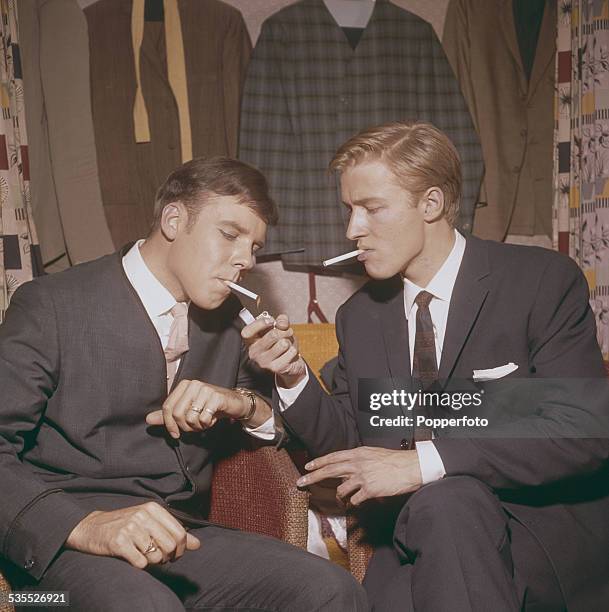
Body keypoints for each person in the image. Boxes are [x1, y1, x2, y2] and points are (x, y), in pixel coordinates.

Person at [243, 122, 609, 610]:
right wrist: (293, 377)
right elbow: (353, 439)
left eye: (372, 209)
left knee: (448, 499)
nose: (353, 229)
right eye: (349, 210)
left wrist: (422, 463)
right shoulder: (361, 316)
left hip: (533, 530)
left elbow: (582, 430)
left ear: (431, 205)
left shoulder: (538, 281)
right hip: (417, 534)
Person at [0, 157, 367, 611]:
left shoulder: (231, 322)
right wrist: (89, 526)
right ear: (173, 220)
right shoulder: (51, 305)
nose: (245, 260)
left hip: (182, 535)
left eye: (254, 246)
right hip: (60, 552)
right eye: (230, 235)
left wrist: (241, 401)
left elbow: (287, 432)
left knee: (331, 590)